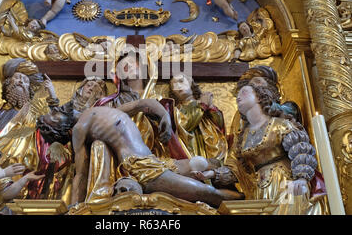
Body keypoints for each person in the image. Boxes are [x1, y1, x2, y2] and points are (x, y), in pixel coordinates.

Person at [38, 99, 244, 207]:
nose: (56, 110)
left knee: (212, 163)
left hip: (155, 161)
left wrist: (163, 114)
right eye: (53, 117)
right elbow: (81, 174)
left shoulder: (101, 109)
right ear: (62, 130)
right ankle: (247, 203)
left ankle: (246, 189)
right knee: (208, 194)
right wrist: (75, 207)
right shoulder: (79, 129)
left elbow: (142, 104)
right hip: (141, 169)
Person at [204, 81, 327, 214]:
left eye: (244, 92)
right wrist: (212, 174)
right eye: (237, 95)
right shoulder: (242, 137)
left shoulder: (280, 125)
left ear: (260, 97)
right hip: (259, 189)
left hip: (285, 183)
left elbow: (300, 151)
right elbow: (236, 169)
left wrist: (302, 178)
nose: (238, 97)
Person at [167, 72, 227, 161]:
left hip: (209, 146)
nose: (178, 86)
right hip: (190, 148)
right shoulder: (177, 110)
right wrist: (202, 107)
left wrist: (212, 109)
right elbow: (185, 125)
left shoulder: (203, 101)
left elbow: (219, 124)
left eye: (181, 81)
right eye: (174, 85)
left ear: (190, 83)